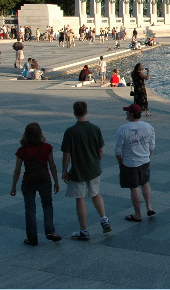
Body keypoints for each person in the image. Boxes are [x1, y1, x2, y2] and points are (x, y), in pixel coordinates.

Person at [61, 101, 111, 240]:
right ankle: (104, 218)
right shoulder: (95, 128)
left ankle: (84, 230)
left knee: (80, 199)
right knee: (96, 194)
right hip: (94, 168)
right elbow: (101, 150)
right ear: (86, 111)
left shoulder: (70, 131)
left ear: (74, 112)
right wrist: (96, 161)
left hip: (78, 171)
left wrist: (64, 170)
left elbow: (67, 154)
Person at [10, 122, 62, 245]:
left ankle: (32, 238)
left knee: (30, 210)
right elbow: (52, 166)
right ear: (40, 134)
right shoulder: (47, 147)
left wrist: (13, 186)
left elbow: (17, 170)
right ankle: (50, 231)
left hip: (28, 181)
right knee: (47, 206)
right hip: (44, 179)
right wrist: (56, 182)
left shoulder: (22, 150)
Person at [114, 104, 156, 222]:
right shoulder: (148, 126)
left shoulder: (123, 129)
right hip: (144, 160)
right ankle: (149, 206)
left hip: (130, 163)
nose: (126, 113)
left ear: (131, 114)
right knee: (145, 183)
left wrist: (120, 162)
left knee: (134, 188)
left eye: (127, 112)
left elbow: (118, 150)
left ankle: (137, 214)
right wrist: (147, 156)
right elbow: (152, 146)